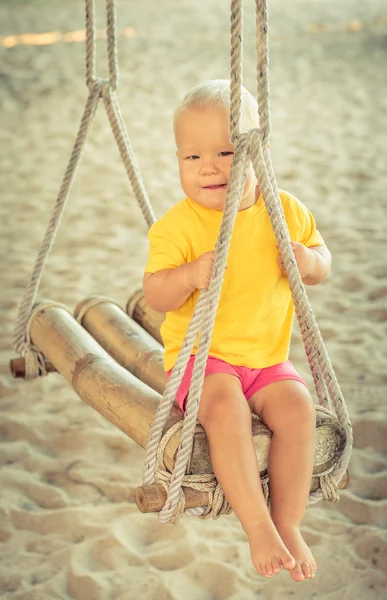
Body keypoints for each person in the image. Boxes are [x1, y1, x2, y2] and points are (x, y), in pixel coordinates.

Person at [143, 80, 331, 582]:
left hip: (268, 360)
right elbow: (155, 293)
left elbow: (323, 260)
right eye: (192, 157)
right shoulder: (175, 228)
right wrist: (186, 276)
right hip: (203, 360)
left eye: (227, 151)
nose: (209, 166)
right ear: (178, 160)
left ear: (258, 150)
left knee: (299, 409)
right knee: (224, 405)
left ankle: (287, 521)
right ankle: (257, 524)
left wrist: (309, 262)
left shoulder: (283, 210)